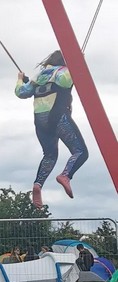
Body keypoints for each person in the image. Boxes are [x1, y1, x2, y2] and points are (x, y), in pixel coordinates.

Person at [15, 50, 88, 208]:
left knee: (50, 155)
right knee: (80, 152)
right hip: (58, 118)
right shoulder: (62, 72)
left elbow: (21, 92)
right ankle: (65, 175)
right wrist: (77, 62)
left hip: (40, 122)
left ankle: (38, 184)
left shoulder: (38, 76)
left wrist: (20, 80)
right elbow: (69, 80)